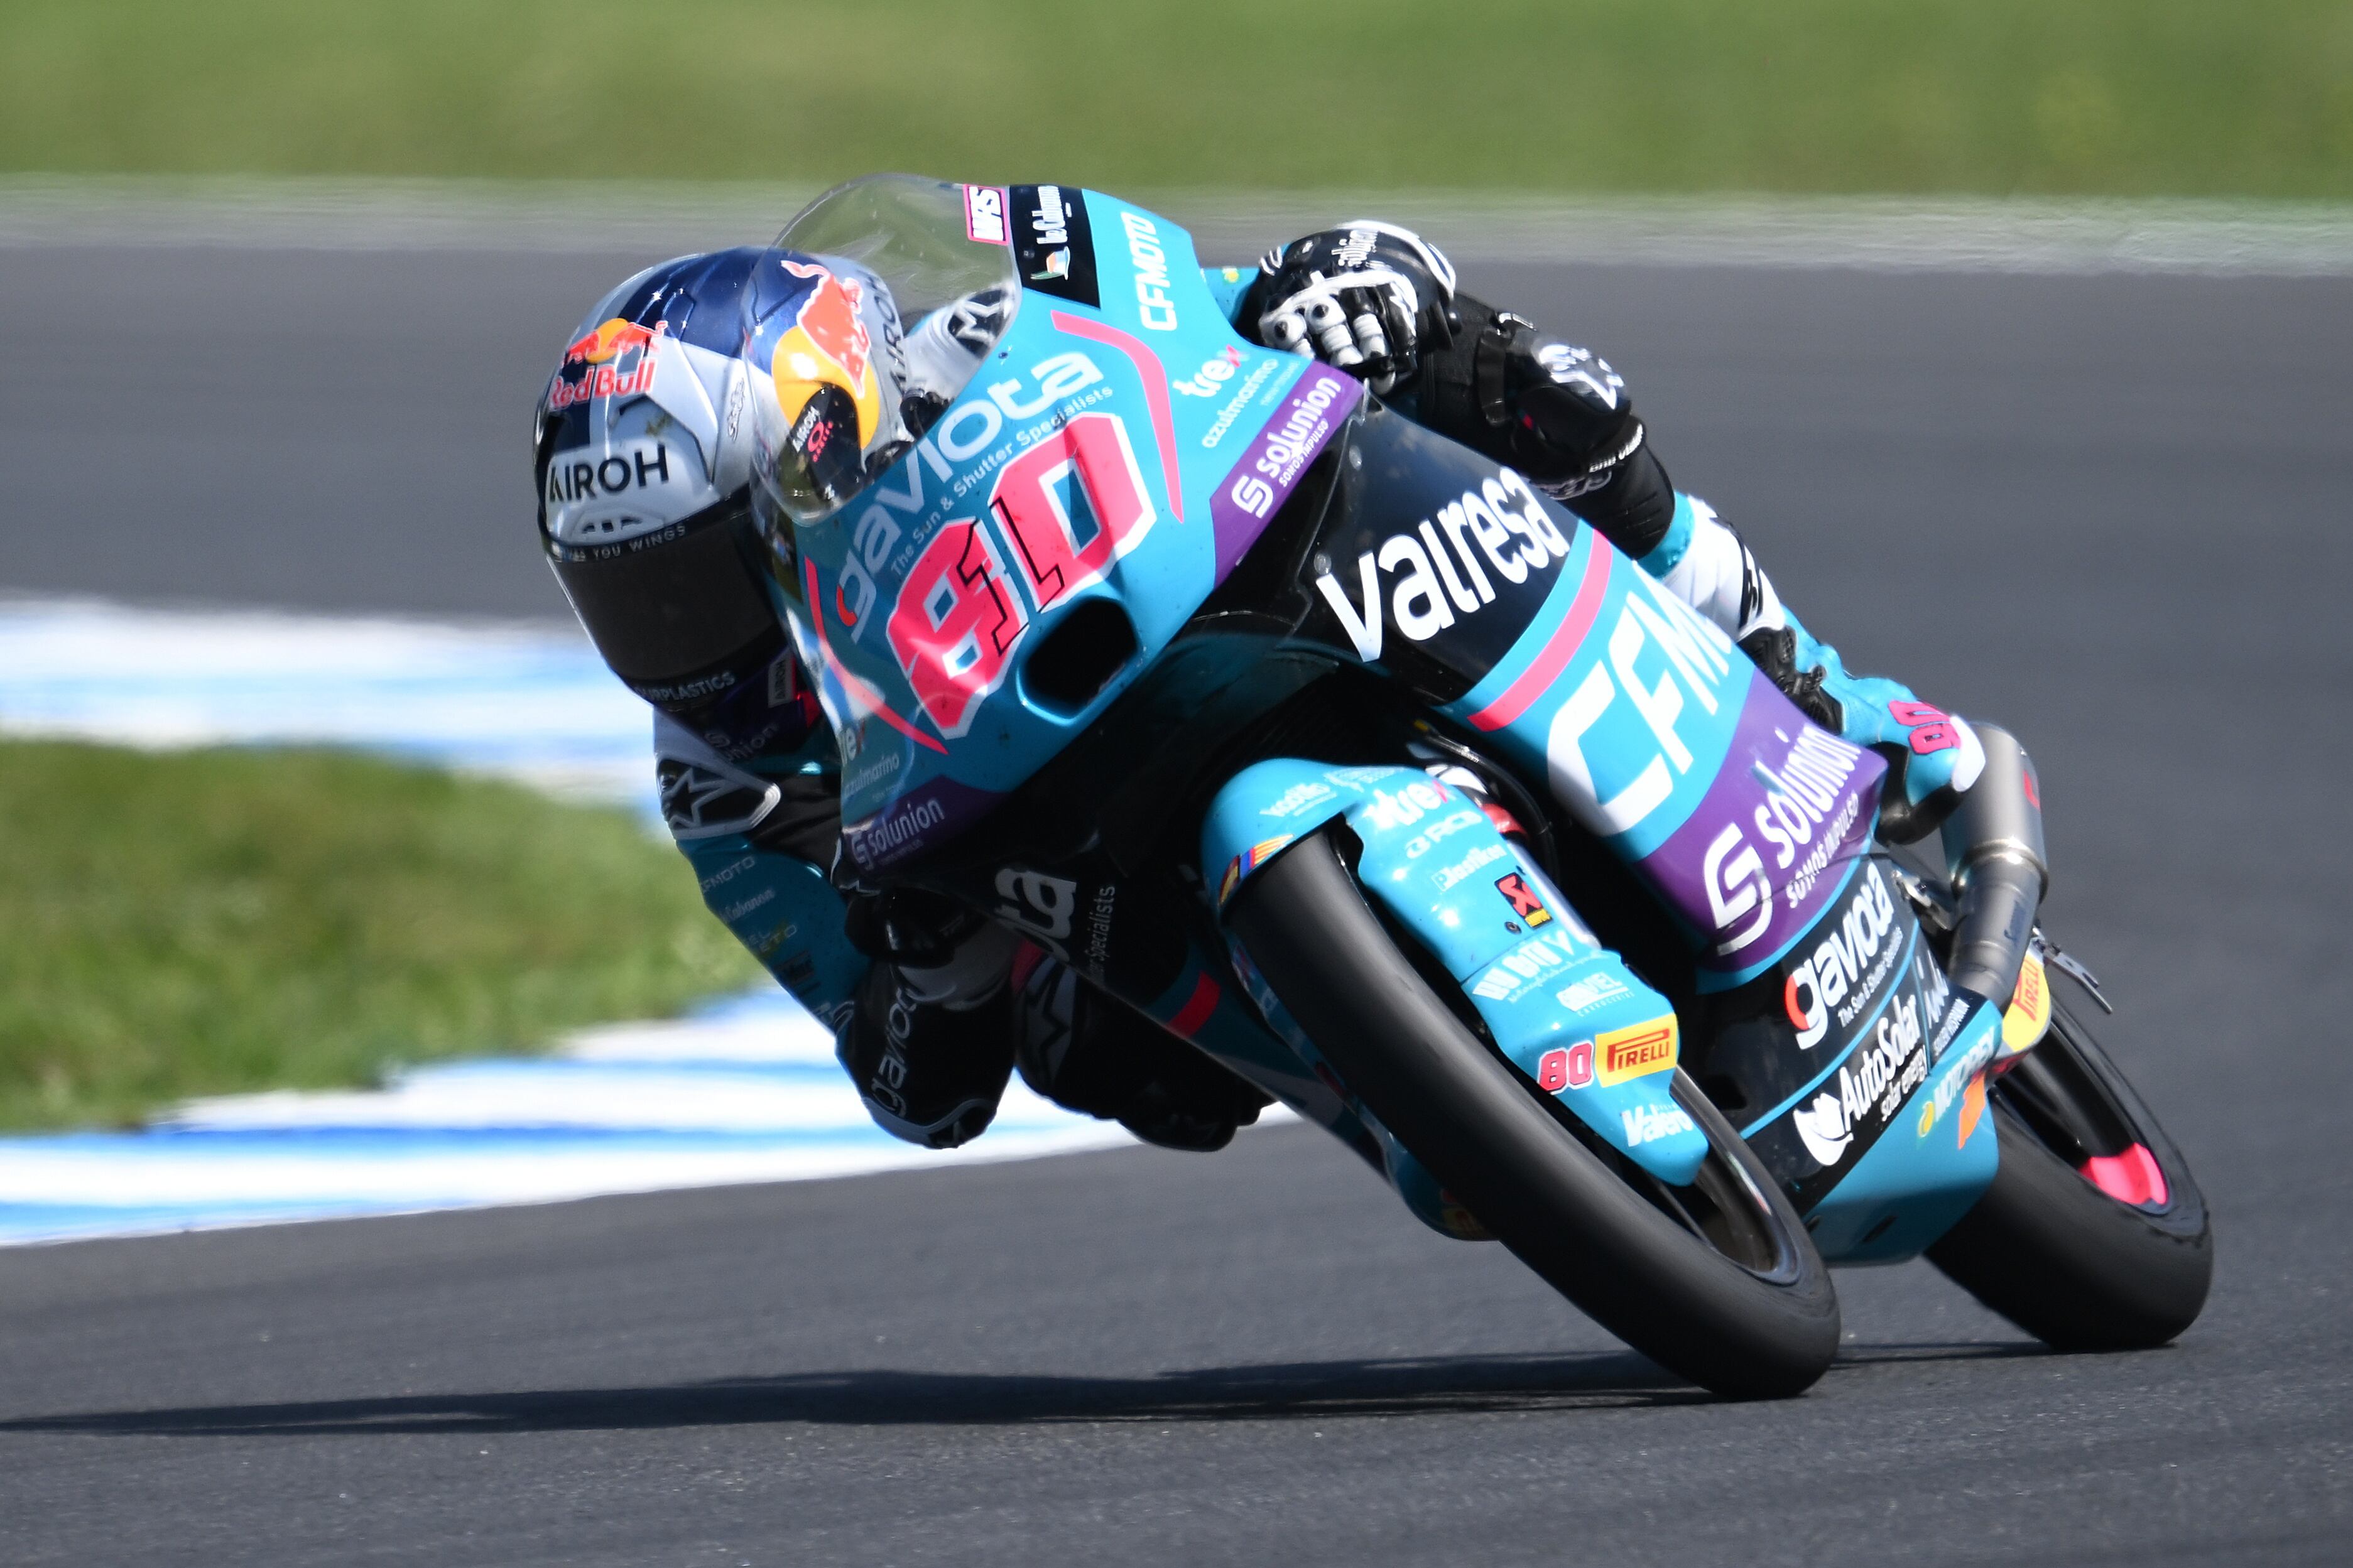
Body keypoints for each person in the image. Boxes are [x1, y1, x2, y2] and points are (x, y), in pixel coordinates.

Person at [531, 216, 1981, 1157]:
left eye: (698, 580)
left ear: (822, 456)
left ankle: (1815, 688)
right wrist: (933, 962)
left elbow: (1212, 300)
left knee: (1518, 387)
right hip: (1083, 852)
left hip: (1230, 578)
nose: (684, 641)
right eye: (632, 599)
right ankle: (1422, 1066)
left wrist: (1357, 276)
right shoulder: (723, 784)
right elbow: (921, 1088)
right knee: (1099, 1060)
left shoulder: (974, 342)